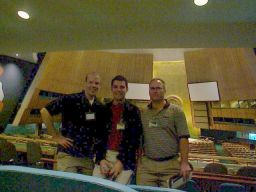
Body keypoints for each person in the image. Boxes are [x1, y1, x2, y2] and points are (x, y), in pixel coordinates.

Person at [40, 72, 106, 175]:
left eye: (97, 83)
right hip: (68, 155)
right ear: (85, 84)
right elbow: (44, 111)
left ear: (100, 86)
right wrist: (56, 136)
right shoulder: (70, 99)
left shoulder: (100, 108)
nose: (93, 86)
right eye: (91, 82)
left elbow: (100, 134)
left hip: (87, 159)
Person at [136, 78, 191, 188]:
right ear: (149, 91)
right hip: (147, 166)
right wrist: (138, 162)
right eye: (152, 88)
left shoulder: (176, 111)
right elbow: (140, 139)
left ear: (164, 90)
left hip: (170, 166)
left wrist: (184, 163)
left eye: (158, 88)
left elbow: (183, 138)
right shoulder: (142, 112)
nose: (155, 91)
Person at [93, 75, 142, 184]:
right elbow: (98, 137)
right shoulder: (103, 110)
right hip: (104, 157)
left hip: (125, 160)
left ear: (127, 89)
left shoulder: (134, 111)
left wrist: (121, 162)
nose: (119, 90)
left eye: (122, 87)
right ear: (111, 88)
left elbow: (134, 140)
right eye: (115, 87)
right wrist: (101, 159)